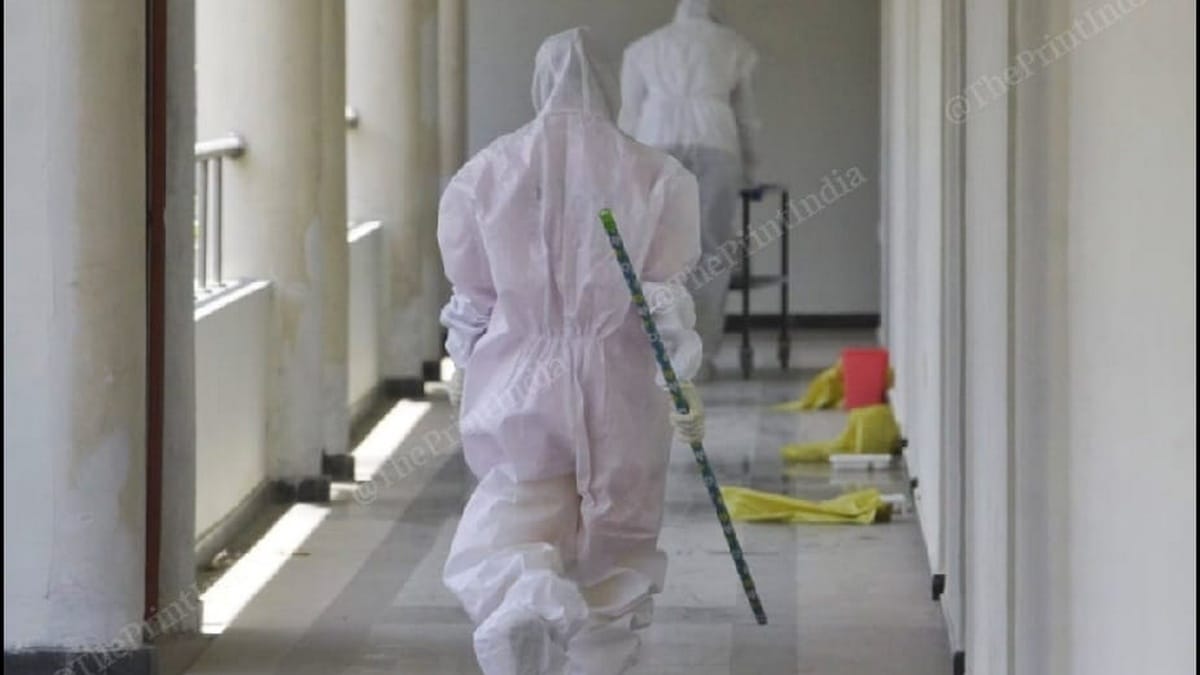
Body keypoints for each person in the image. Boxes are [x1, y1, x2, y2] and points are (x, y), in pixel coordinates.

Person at [438, 27, 707, 675]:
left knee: (518, 511)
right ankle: (598, 653)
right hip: (617, 377)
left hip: (520, 375)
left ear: (539, 84)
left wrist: (462, 361)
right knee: (617, 538)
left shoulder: (487, 172)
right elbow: (662, 295)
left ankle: (524, 603)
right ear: (608, 87)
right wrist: (682, 378)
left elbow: (472, 297)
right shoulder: (655, 173)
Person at [618, 0, 762, 380]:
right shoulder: (734, 46)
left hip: (656, 145)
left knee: (656, 251)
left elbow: (629, 118)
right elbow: (747, 116)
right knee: (713, 249)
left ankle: (660, 353)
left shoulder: (644, 48)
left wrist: (622, 175)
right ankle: (701, 357)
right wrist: (750, 168)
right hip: (717, 143)